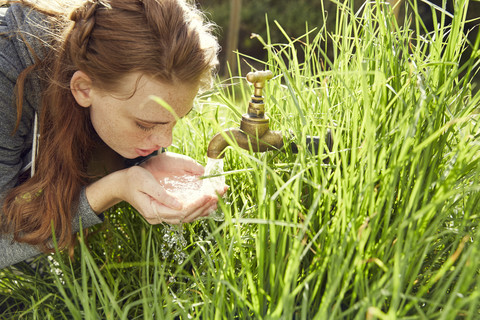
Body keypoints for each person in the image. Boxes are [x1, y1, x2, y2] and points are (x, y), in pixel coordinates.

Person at [0, 0, 226, 269]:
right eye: (144, 124)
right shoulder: (7, 73)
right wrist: (110, 191)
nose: (166, 142)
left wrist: (143, 165)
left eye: (175, 121)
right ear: (83, 88)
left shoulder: (104, 77)